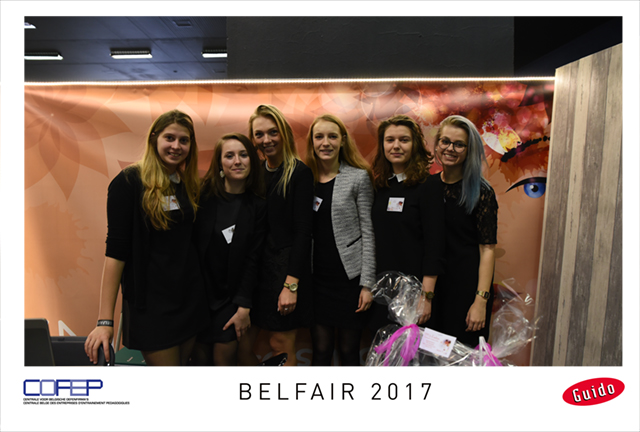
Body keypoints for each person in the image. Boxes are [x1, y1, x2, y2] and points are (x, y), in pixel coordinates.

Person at [84, 109, 208, 366]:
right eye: (169, 138)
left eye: (184, 140)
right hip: (151, 305)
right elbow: (115, 253)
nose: (176, 146)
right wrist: (105, 321)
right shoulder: (129, 182)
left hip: (189, 299)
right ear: (154, 138)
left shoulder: (186, 183)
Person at [238, 104, 314, 366]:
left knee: (281, 344)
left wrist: (291, 285)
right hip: (256, 271)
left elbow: (303, 233)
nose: (266, 140)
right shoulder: (255, 172)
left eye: (272, 132)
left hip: (285, 272)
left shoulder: (299, 173)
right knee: (241, 345)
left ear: (284, 133)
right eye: (259, 134)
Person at [303, 114, 375, 366]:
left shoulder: (358, 177)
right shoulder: (304, 179)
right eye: (319, 137)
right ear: (312, 142)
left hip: (350, 282)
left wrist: (367, 285)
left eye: (332, 136)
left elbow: (369, 232)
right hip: (316, 282)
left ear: (342, 140)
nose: (326, 143)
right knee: (321, 350)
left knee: (348, 351)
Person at [192, 133, 266, 366]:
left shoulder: (257, 206)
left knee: (223, 362)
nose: (237, 161)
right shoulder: (202, 197)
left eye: (243, 155)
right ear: (219, 162)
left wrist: (244, 307)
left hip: (232, 300)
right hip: (199, 299)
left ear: (251, 160)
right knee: (200, 362)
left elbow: (253, 259)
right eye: (229, 156)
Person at [369, 114, 445, 332]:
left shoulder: (429, 186)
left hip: (415, 293)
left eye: (404, 140)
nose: (396, 146)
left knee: (411, 351)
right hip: (382, 291)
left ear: (415, 145)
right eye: (389, 140)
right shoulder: (379, 187)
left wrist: (426, 296)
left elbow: (435, 245)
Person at [429, 114, 498, 347]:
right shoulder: (428, 187)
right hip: (432, 289)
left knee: (461, 359)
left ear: (470, 150)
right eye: (445, 141)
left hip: (467, 290)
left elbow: (487, 249)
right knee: (430, 357)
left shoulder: (481, 192)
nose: (450, 148)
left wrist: (480, 301)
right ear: (437, 144)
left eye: (459, 144)